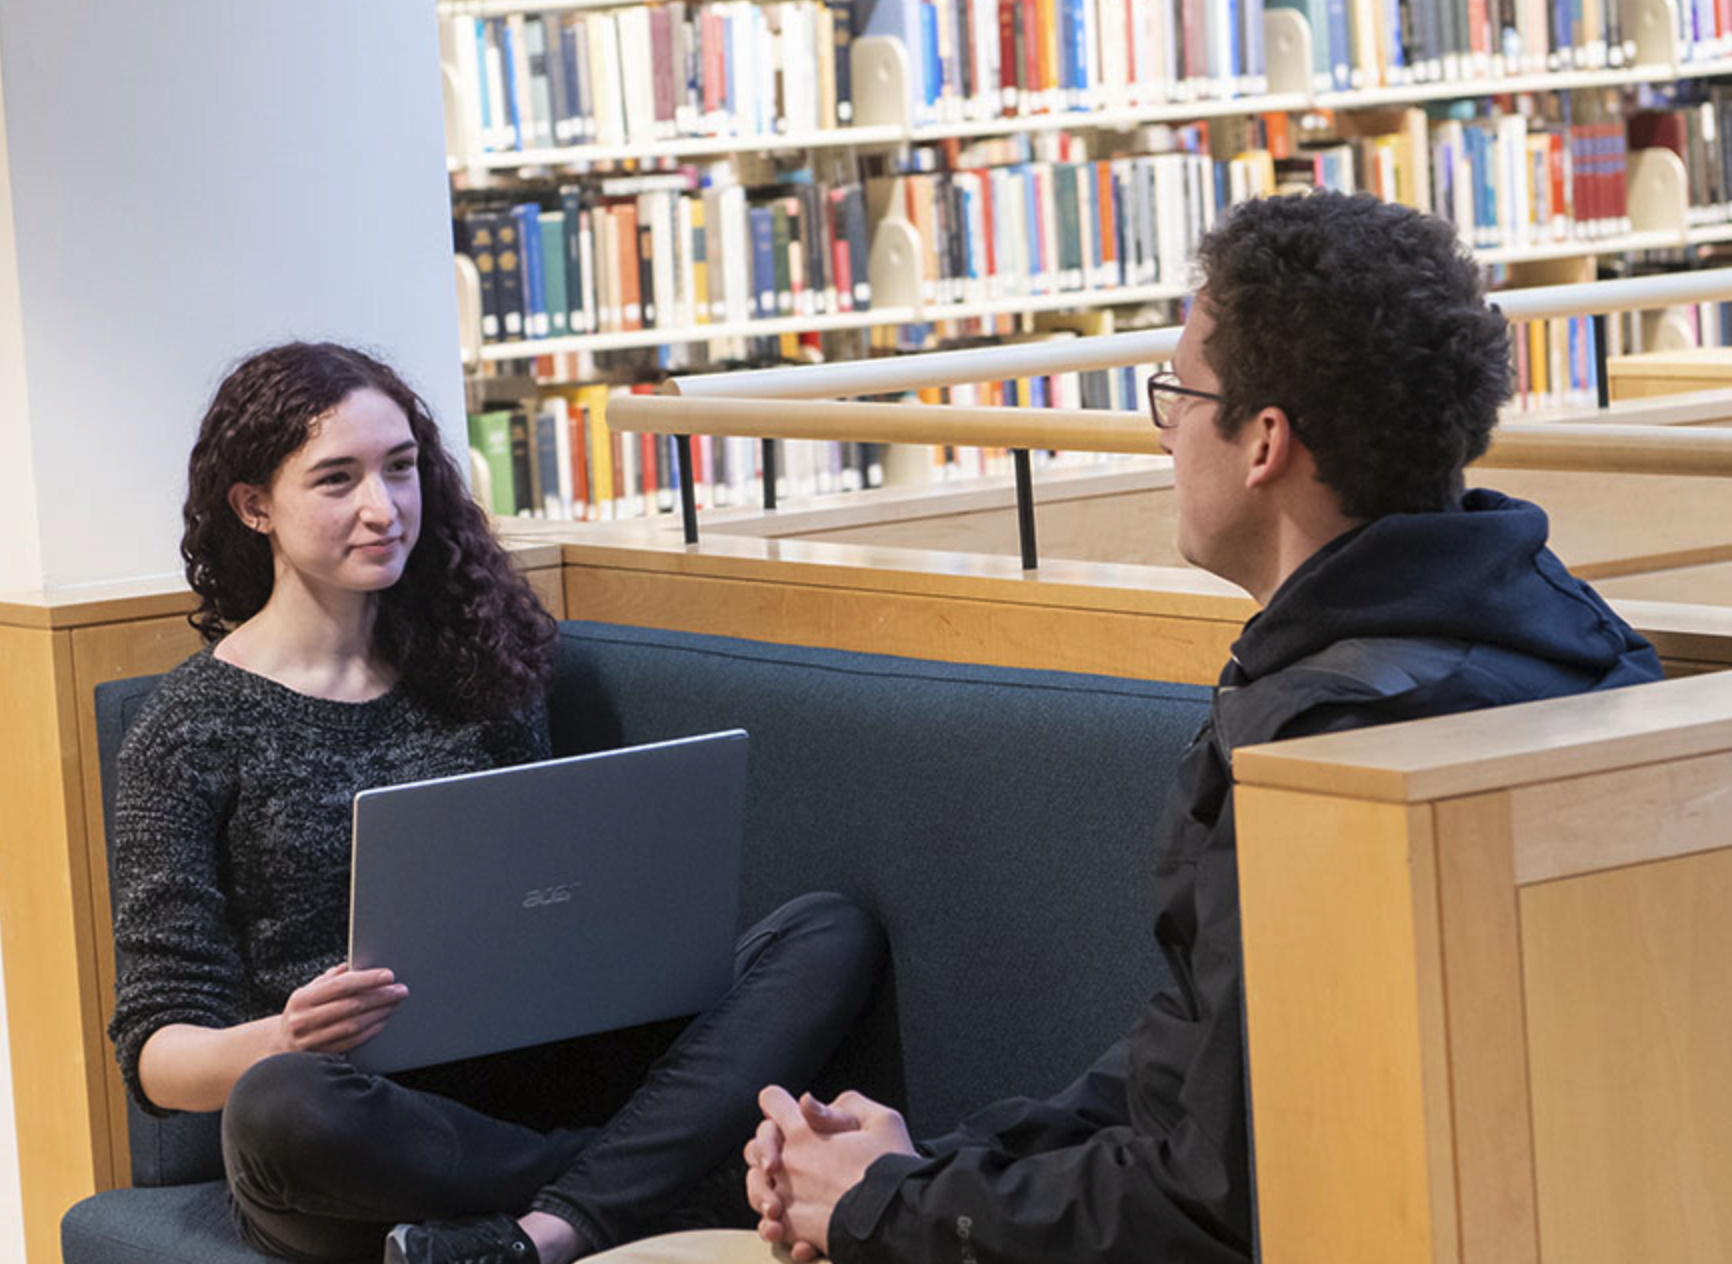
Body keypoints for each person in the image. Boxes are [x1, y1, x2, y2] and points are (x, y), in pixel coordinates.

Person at [739, 191, 1663, 1262]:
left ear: (1265, 440)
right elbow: (1204, 1084)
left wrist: (880, 1212)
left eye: (1177, 392)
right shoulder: (1563, 635)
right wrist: (922, 1174)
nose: (1167, 429)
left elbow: (1202, 1210)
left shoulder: (1327, 758)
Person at [109, 341, 885, 1264]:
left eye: (401, 469)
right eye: (336, 480)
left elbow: (540, 897)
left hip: (539, 1069)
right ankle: (667, 1182)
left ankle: (545, 1227)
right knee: (282, 1109)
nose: (382, 507)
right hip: (369, 1123)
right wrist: (286, 1034)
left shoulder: (478, 662)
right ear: (254, 507)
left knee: (828, 933)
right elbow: (158, 1054)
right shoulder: (186, 729)